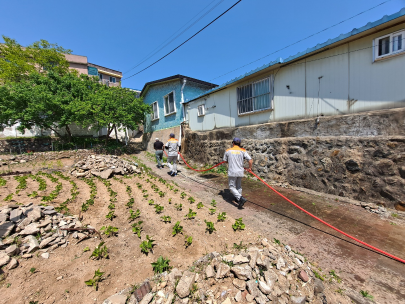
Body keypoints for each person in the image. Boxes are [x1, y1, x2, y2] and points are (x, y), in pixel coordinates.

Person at [223, 137, 253, 209]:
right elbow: (250, 160)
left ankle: (240, 198)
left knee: (231, 186)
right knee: (238, 186)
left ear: (233, 143)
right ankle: (239, 200)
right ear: (239, 144)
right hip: (240, 171)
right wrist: (250, 168)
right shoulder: (243, 150)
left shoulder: (228, 151)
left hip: (232, 171)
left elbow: (225, 161)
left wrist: (230, 160)